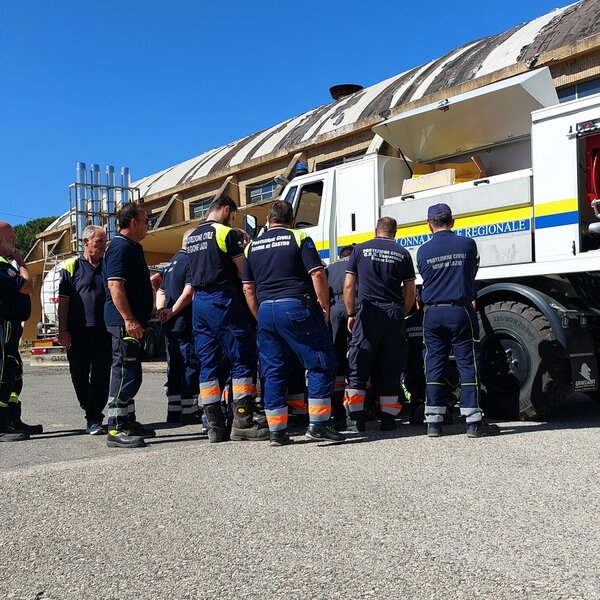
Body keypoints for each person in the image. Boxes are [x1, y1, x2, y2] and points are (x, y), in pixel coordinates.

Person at [242, 200, 343, 446]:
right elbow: (317, 273)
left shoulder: (251, 247)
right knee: (320, 362)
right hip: (295, 306)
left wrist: (259, 314)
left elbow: (248, 287)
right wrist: (324, 306)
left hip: (266, 310)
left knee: (273, 369)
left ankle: (277, 431)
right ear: (292, 220)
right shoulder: (299, 238)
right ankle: (318, 424)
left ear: (268, 220)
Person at [186, 195, 268, 443]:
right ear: (225, 210)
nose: (232, 221)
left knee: (208, 363)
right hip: (223, 300)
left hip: (199, 303)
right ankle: (242, 422)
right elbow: (243, 272)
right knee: (242, 357)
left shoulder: (192, 237)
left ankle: (214, 427)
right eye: (232, 216)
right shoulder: (225, 234)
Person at [417, 203, 499, 438]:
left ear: (429, 225)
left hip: (431, 313)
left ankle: (433, 422)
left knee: (433, 364)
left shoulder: (422, 251)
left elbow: (424, 276)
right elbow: (472, 272)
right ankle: (473, 422)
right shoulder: (468, 244)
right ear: (452, 222)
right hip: (460, 311)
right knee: (467, 363)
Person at [343, 216, 416, 431]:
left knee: (359, 364)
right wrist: (401, 312)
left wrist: (351, 313)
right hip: (393, 311)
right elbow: (410, 290)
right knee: (391, 366)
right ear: (395, 232)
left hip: (368, 312)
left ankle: (356, 420)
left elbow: (348, 286)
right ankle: (388, 419)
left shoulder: (360, 250)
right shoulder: (402, 253)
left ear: (376, 230)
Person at [103, 203, 155, 448]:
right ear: (133, 222)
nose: (148, 225)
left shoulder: (133, 248)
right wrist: (129, 319)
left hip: (133, 321)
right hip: (124, 322)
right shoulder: (120, 247)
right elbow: (115, 285)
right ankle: (115, 427)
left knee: (132, 373)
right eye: (146, 221)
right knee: (124, 371)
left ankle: (128, 419)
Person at [57, 225, 112, 435]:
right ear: (85, 242)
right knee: (78, 375)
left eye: (105, 242)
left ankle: (94, 417)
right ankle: (88, 407)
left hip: (103, 331)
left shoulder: (108, 265)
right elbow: (63, 303)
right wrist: (63, 330)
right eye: (99, 242)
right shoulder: (71, 267)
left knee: (101, 375)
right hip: (78, 332)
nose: (103, 246)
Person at [0, 221, 41, 441]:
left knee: (15, 372)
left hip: (13, 325)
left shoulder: (6, 264)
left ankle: (12, 419)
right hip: (3, 324)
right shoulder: (2, 265)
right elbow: (27, 286)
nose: (14, 241)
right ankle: (1, 425)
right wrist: (21, 260)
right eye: (10, 237)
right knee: (3, 371)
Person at [156, 228, 202, 426]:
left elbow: (160, 288)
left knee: (173, 367)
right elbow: (189, 291)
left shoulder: (172, 262)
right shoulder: (191, 261)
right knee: (188, 364)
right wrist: (173, 311)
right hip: (184, 322)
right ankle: (189, 411)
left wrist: (161, 311)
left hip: (169, 325)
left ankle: (173, 411)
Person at [326, 245, 354, 431]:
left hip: (334, 308)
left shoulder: (331, 267)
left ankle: (336, 409)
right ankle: (356, 407)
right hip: (353, 308)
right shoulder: (356, 264)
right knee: (356, 354)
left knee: (336, 357)